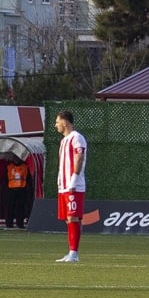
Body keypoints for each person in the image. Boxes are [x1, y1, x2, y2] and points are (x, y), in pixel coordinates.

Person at [54, 110, 87, 262]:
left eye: (57, 122)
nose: (56, 125)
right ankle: (71, 252)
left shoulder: (77, 138)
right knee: (68, 219)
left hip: (74, 185)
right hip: (64, 186)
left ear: (65, 122)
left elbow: (79, 157)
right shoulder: (63, 141)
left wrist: (74, 178)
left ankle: (74, 253)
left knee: (73, 217)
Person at [6, 152, 31, 229]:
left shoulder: (25, 167)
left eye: (18, 158)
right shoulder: (9, 166)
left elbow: (28, 178)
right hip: (11, 189)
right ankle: (9, 224)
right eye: (15, 158)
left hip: (21, 189)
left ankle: (20, 223)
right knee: (10, 207)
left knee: (20, 207)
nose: (16, 159)